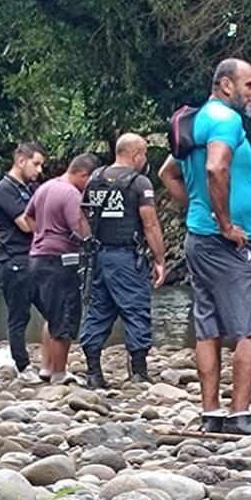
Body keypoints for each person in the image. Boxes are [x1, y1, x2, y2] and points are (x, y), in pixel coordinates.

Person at [159, 58, 251, 435]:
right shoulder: (226, 121)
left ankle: (211, 412)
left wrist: (196, 208)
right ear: (226, 85)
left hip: (197, 240)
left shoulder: (198, 121)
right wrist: (224, 224)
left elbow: (167, 172)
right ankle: (239, 415)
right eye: (250, 85)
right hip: (223, 243)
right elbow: (215, 168)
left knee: (208, 328)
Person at [78, 133, 166, 388]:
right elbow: (149, 224)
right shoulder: (139, 184)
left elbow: (82, 216)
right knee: (135, 308)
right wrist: (159, 259)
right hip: (127, 257)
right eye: (145, 154)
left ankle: (93, 371)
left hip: (98, 255)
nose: (145, 159)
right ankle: (138, 370)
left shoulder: (94, 178)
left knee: (98, 310)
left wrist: (89, 243)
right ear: (136, 155)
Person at [25, 153, 98, 382]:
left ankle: (47, 367)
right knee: (65, 316)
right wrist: (90, 241)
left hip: (38, 257)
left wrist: (44, 233)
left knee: (52, 314)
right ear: (83, 174)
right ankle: (59, 372)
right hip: (60, 260)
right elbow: (78, 225)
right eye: (89, 181)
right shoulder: (70, 193)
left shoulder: (45, 187)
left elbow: (28, 217)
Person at [0, 142, 46, 372]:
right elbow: (25, 223)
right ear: (20, 161)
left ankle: (52, 363)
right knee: (19, 316)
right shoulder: (5, 189)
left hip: (34, 259)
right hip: (13, 260)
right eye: (36, 164)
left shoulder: (31, 187)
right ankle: (22, 365)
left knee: (55, 312)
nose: (39, 170)